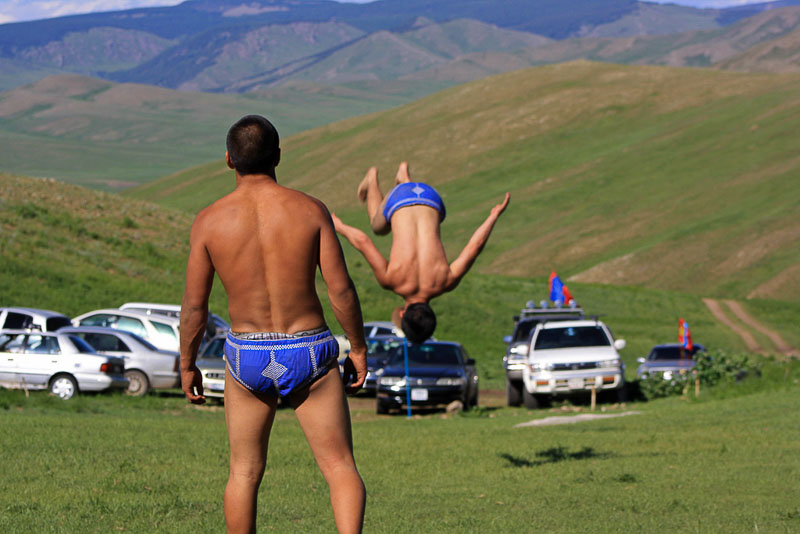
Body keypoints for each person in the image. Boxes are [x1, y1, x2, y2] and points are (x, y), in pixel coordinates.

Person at [179, 115, 368, 534]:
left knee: (244, 474)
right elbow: (342, 292)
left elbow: (194, 306)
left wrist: (187, 362)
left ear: (229, 160)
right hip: (309, 350)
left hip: (246, 354)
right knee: (339, 468)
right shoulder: (309, 209)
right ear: (278, 155)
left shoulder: (208, 221)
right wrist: (357, 346)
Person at [332, 162, 510, 343]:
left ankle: (405, 179)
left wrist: (493, 215)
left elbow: (475, 246)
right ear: (402, 314)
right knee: (378, 228)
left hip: (431, 198)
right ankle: (372, 178)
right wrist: (339, 226)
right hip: (398, 199)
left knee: (411, 221)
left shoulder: (446, 282)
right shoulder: (390, 281)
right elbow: (363, 242)